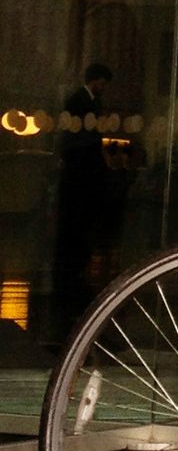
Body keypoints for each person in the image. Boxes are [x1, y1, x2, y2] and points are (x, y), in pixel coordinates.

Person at [52, 62, 116, 337]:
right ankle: (72, 264)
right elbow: (78, 138)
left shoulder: (90, 101)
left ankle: (75, 263)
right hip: (81, 171)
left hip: (84, 171)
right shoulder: (78, 101)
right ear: (97, 80)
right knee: (77, 217)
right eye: (103, 82)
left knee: (81, 218)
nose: (104, 87)